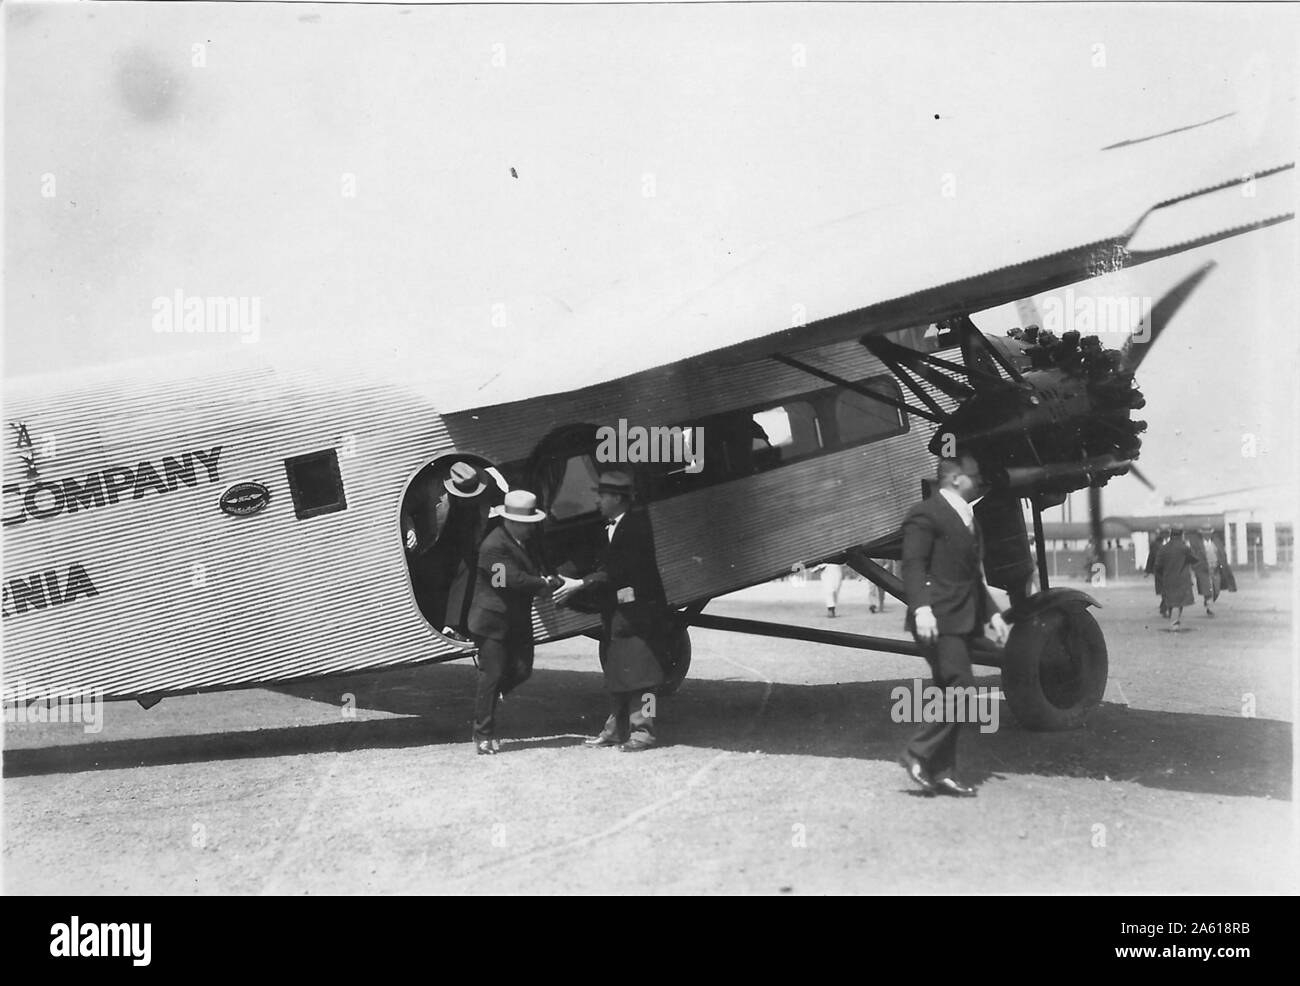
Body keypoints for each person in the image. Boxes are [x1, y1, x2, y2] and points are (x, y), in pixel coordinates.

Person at [900, 454, 1009, 797]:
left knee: (951, 693)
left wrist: (992, 614)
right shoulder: (926, 513)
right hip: (936, 619)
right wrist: (921, 610)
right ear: (957, 479)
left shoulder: (967, 517)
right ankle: (918, 752)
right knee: (962, 690)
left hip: (959, 619)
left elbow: (972, 578)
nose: (979, 482)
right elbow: (914, 564)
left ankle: (941, 772)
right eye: (975, 477)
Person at [465, 489, 580, 754]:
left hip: (516, 620)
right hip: (492, 622)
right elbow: (507, 580)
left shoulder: (521, 541)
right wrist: (545, 584)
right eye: (528, 524)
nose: (531, 528)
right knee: (491, 676)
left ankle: (493, 697)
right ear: (513, 521)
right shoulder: (493, 546)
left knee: (522, 669)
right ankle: (482, 736)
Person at [572, 470, 671, 753]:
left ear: (617, 498)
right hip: (620, 614)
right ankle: (616, 730)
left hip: (640, 614)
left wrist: (581, 583)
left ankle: (644, 732)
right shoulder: (612, 526)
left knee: (644, 676)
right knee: (618, 671)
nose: (597, 502)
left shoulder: (637, 525)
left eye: (601, 496)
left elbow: (618, 570)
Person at [438, 462, 507, 642]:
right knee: (460, 571)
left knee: (483, 573)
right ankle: (453, 625)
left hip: (476, 525)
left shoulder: (488, 482)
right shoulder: (439, 489)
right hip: (448, 529)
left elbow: (504, 502)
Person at [1154, 526, 1196, 631]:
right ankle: (1174, 623)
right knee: (1179, 602)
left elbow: (1157, 566)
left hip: (1168, 579)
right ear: (1181, 535)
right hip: (1182, 579)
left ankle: (1175, 621)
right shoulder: (1184, 548)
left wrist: (1163, 575)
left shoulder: (1163, 548)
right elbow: (1194, 559)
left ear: (1171, 535)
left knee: (1173, 601)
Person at [1189, 524, 1236, 617]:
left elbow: (1223, 554)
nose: (1207, 534)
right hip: (1203, 570)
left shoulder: (1216, 542)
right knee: (1207, 590)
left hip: (1216, 569)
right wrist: (1196, 567)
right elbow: (1193, 556)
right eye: (1205, 533)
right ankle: (1209, 607)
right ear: (1201, 534)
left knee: (1216, 589)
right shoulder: (1197, 543)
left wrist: (1224, 564)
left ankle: (1209, 601)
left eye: (1209, 533)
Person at [1144, 524, 1171, 617]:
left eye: (1166, 533)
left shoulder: (1173, 543)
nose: (1165, 535)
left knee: (1169, 590)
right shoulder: (1155, 544)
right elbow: (1151, 557)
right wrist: (1147, 571)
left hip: (1171, 571)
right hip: (1159, 572)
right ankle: (1164, 608)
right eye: (1163, 533)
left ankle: (1164, 607)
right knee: (1164, 591)